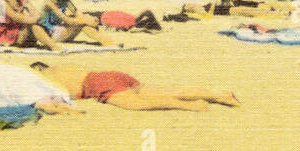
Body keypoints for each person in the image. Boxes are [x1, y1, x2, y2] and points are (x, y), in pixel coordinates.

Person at [29, 62, 239, 112]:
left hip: (98, 84)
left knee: (139, 105)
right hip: (110, 75)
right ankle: (220, 95)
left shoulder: (48, 77)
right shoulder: (63, 66)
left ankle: (191, 106)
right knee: (167, 90)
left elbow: (64, 94)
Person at [39, 0, 117, 46]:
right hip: (49, 34)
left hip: (58, 31)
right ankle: (107, 42)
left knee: (84, 20)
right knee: (82, 22)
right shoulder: (49, 2)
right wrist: (86, 21)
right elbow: (66, 20)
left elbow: (78, 14)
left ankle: (106, 41)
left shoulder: (66, 1)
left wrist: (89, 19)